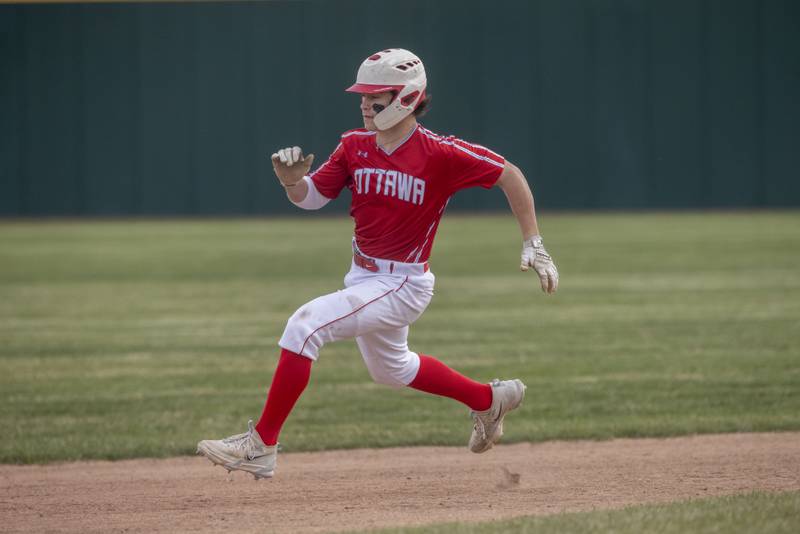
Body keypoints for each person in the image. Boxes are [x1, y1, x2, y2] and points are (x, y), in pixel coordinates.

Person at [197, 48, 559, 480]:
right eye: (362, 96)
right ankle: (488, 399)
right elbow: (313, 198)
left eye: (376, 96)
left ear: (407, 97)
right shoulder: (354, 145)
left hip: (403, 283)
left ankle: (262, 444)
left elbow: (509, 174)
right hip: (364, 275)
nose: (365, 104)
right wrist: (293, 184)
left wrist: (533, 240)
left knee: (304, 324)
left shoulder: (439, 153)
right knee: (393, 369)